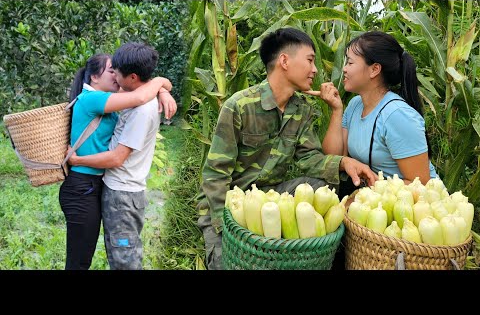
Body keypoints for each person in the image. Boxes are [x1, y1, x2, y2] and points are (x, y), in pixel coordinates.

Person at [196, 27, 377, 270]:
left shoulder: (301, 109)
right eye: (310, 60)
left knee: (323, 186)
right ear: (284, 61)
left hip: (270, 195)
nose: (314, 69)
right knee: (227, 263)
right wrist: (226, 226)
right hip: (231, 202)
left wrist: (344, 162)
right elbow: (216, 174)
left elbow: (310, 159)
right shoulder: (239, 106)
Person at [59, 52, 174, 270]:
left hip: (96, 185)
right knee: (79, 259)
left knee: (92, 255)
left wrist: (161, 89)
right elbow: (139, 96)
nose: (115, 76)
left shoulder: (110, 98)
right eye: (111, 71)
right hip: (81, 187)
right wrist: (159, 84)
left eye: (117, 71)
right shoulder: (93, 98)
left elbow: (139, 87)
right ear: (94, 77)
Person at [306, 30, 437, 194]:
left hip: (416, 206)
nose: (344, 69)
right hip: (379, 200)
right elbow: (334, 157)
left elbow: (420, 184)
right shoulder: (355, 105)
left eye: (350, 63)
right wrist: (337, 110)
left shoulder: (397, 115)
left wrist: (365, 196)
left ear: (374, 69)